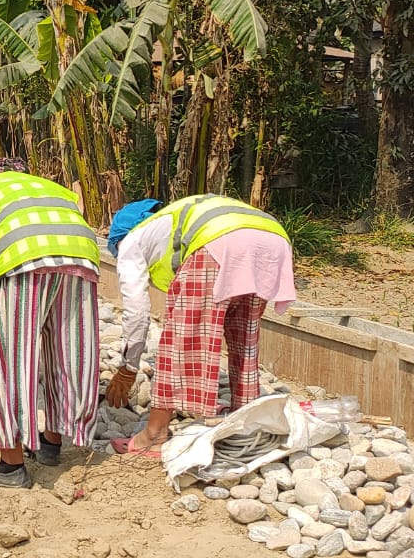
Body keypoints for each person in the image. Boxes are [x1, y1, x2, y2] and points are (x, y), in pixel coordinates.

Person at [106, 195, 296, 457]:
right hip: (273, 237)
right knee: (244, 339)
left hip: (218, 241)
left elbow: (137, 312)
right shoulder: (175, 219)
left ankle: (154, 435)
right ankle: (245, 423)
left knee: (181, 340)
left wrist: (128, 368)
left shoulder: (131, 240)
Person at [0, 161, 101, 488]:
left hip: (23, 262)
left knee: (11, 362)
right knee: (67, 352)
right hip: (82, 259)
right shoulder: (56, 192)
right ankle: (51, 443)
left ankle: (11, 466)